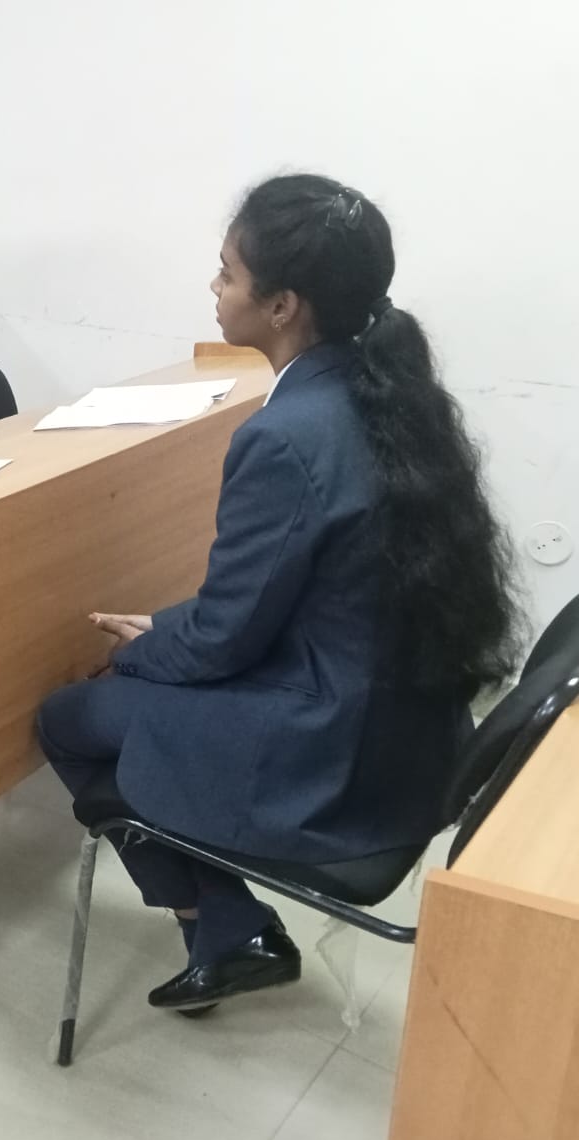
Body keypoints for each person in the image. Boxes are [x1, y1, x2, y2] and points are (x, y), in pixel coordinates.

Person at [36, 174, 521, 1014]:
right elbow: (276, 603)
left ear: (282, 305)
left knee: (69, 717)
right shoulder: (388, 392)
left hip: (329, 754)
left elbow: (226, 637)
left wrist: (147, 647)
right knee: (145, 680)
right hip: (410, 736)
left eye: (227, 273)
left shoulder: (286, 435)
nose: (214, 287)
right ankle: (230, 931)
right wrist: (169, 630)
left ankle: (215, 922)